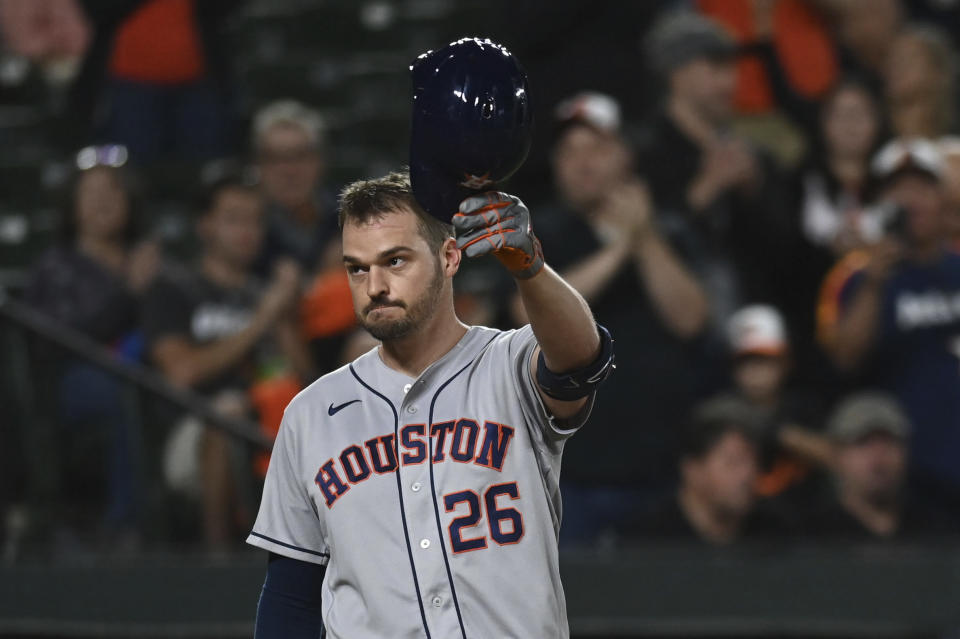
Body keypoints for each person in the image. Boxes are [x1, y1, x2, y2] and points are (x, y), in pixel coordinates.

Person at [247, 172, 612, 638]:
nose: (375, 285)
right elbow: (290, 594)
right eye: (357, 268)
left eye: (394, 261)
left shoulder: (508, 363)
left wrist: (530, 268)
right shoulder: (311, 413)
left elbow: (583, 361)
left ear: (449, 256)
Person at [516, 91, 710, 546]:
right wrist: (623, 246)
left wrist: (644, 240)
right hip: (570, 472)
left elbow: (692, 319)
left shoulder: (670, 231)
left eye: (597, 149)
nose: (583, 163)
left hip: (660, 467)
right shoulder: (539, 234)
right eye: (569, 152)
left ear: (625, 157)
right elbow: (528, 316)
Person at [142, 175, 312, 549]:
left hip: (263, 428)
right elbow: (181, 372)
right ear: (205, 225)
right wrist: (262, 320)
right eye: (233, 219)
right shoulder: (174, 287)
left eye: (254, 221)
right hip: (190, 433)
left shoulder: (263, 294)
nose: (247, 231)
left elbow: (306, 379)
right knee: (226, 411)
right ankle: (217, 556)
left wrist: (283, 318)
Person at [25, 146, 159, 542]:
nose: (104, 200)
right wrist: (128, 292)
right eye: (91, 192)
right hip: (73, 380)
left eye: (114, 191)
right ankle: (127, 526)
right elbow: (60, 341)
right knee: (123, 392)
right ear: (72, 205)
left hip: (151, 370)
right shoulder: (55, 267)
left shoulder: (149, 260)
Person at [818, 138, 960, 509]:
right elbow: (845, 360)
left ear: (944, 199)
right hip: (901, 480)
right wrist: (875, 280)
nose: (910, 200)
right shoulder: (855, 279)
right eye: (897, 189)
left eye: (922, 187)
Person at [639, 10, 790, 321]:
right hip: (678, 334)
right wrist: (706, 190)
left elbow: (786, 252)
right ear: (677, 73)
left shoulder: (750, 154)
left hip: (756, 325)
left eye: (731, 68)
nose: (730, 81)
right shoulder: (643, 154)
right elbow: (643, 243)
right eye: (716, 67)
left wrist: (754, 189)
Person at [252, 99, 354, 374]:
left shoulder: (349, 214)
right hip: (269, 353)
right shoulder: (246, 224)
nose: (288, 170)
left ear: (319, 161)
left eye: (299, 156)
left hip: (345, 340)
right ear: (259, 166)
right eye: (275, 159)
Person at [620, 395, 792, 546]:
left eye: (755, 462)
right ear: (692, 469)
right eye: (733, 462)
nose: (748, 475)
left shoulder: (774, 538)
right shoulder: (646, 542)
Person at [809, 392, 953, 540]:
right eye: (863, 442)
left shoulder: (938, 531)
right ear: (837, 455)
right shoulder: (810, 536)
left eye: (889, 442)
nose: (879, 458)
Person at [724, 305, 830, 504]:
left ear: (786, 362)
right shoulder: (721, 414)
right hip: (743, 525)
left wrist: (779, 432)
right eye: (746, 361)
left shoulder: (806, 409)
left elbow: (837, 460)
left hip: (805, 524)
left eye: (765, 360)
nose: (754, 370)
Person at [884, 24, 956, 141]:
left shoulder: (953, 149)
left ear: (937, 71)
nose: (896, 68)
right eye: (892, 61)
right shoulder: (877, 146)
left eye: (907, 60)